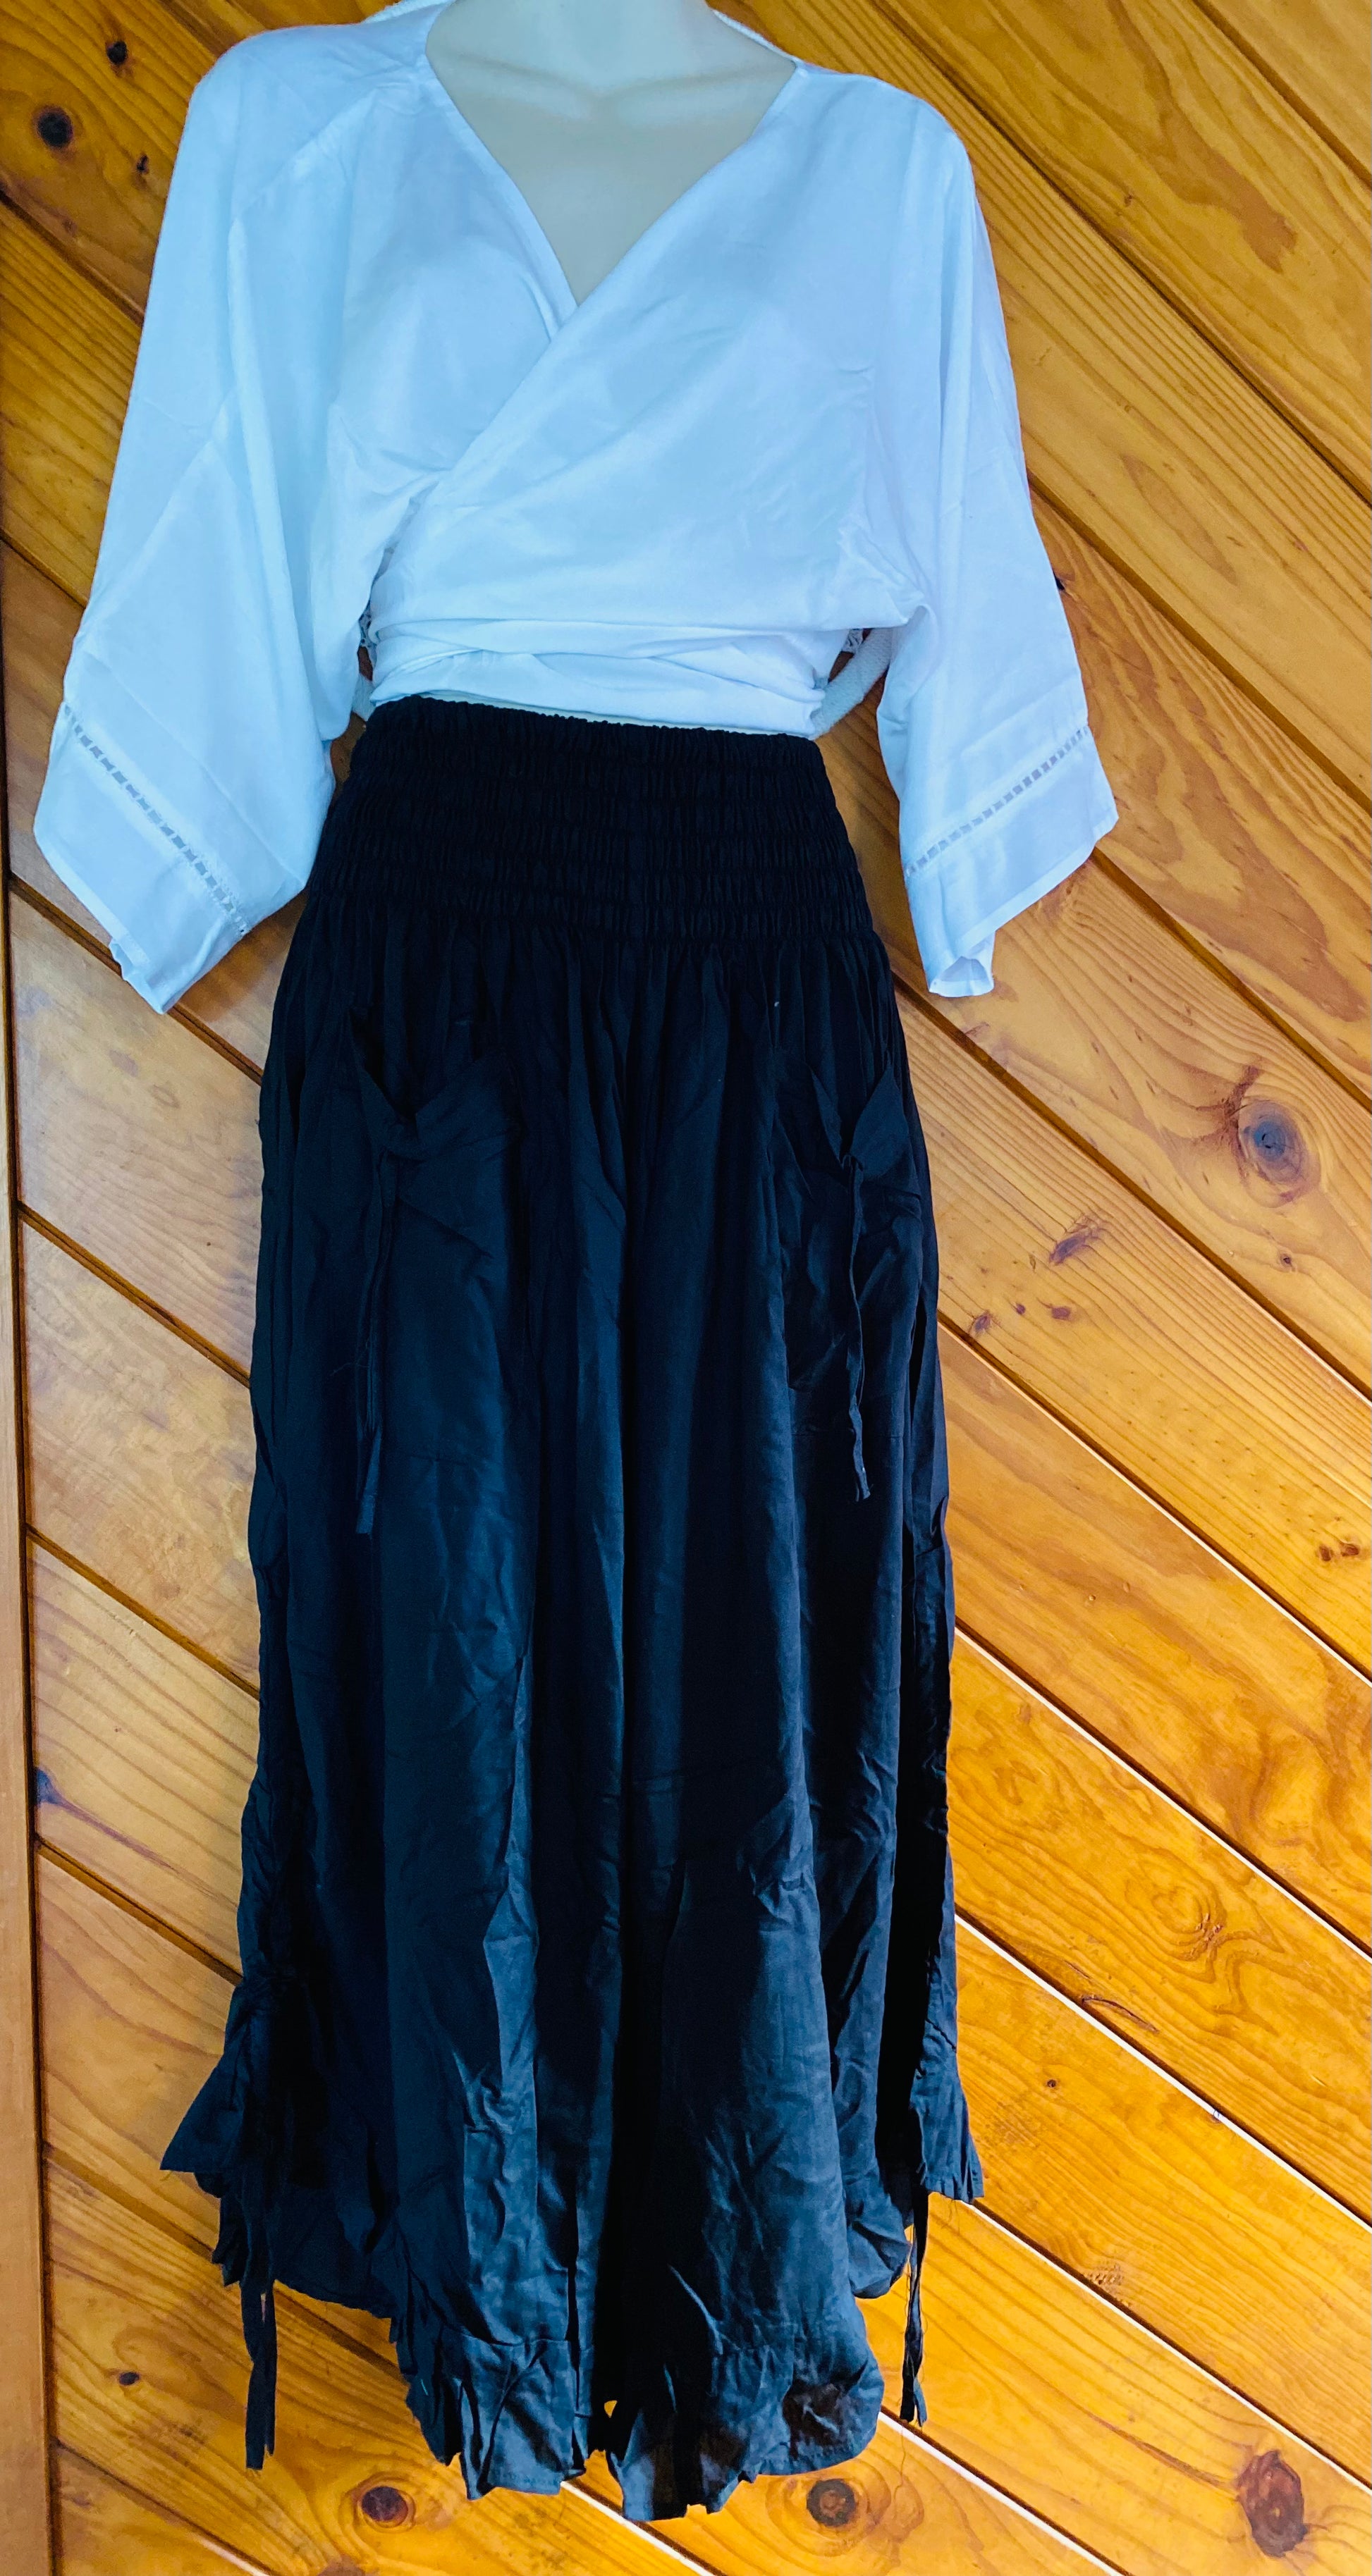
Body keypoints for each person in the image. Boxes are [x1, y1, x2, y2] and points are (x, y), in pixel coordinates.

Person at [32, 0, 1117, 2523]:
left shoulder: (886, 171)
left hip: (747, 969)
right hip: (437, 969)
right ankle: (483, 2271)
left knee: (767, 1628)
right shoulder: (292, 126)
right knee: (448, 1624)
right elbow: (206, 679)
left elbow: (967, 717)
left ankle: (729, 2265)